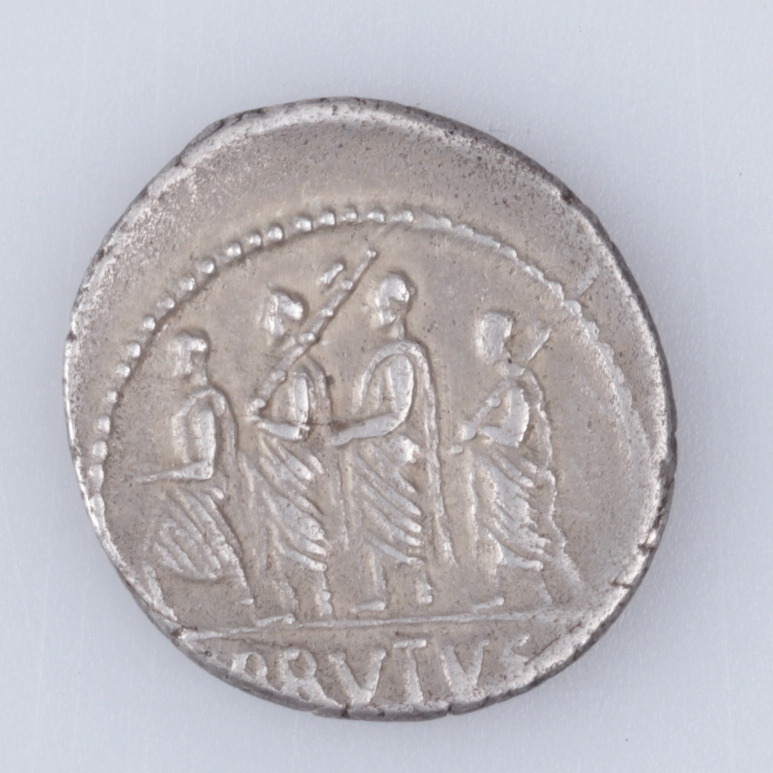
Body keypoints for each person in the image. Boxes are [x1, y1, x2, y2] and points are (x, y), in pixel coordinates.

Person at [332, 272, 453, 613]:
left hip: (391, 454)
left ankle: (418, 587)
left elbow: (396, 415)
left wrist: (351, 432)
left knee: (401, 521)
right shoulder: (384, 354)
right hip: (373, 455)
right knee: (375, 524)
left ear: (395, 310)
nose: (369, 310)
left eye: (377, 304)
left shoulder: (400, 358)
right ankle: (380, 592)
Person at [458, 311, 579, 604]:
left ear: (500, 341)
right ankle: (502, 594)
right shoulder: (504, 383)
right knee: (497, 534)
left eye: (487, 337)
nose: (482, 344)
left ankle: (549, 592)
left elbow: (513, 436)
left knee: (521, 533)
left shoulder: (516, 388)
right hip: (496, 477)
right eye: (481, 337)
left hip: (514, 474)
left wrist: (479, 430)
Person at [142, 330, 252, 608]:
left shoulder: (204, 406)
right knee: (156, 558)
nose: (172, 363)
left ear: (194, 360)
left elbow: (205, 469)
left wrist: (159, 476)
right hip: (186, 495)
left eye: (177, 357)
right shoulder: (195, 401)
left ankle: (246, 606)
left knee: (217, 556)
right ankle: (244, 604)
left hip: (198, 495)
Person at [247, 288, 335, 619]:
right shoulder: (279, 367)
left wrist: (261, 423)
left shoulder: (297, 371)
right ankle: (289, 606)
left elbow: (299, 429)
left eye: (268, 315)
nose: (262, 322)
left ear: (283, 322)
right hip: (275, 469)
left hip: (293, 469)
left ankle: (321, 602)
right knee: (277, 541)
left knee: (302, 537)